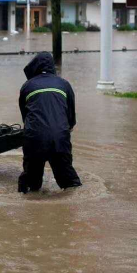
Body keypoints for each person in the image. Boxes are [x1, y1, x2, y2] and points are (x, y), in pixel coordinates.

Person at [17, 52, 82, 193]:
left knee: (30, 185)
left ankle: (27, 210)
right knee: (70, 183)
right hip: (59, 138)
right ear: (52, 66)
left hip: (34, 138)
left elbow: (25, 116)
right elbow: (71, 117)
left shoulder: (27, 86)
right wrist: (64, 131)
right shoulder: (64, 84)